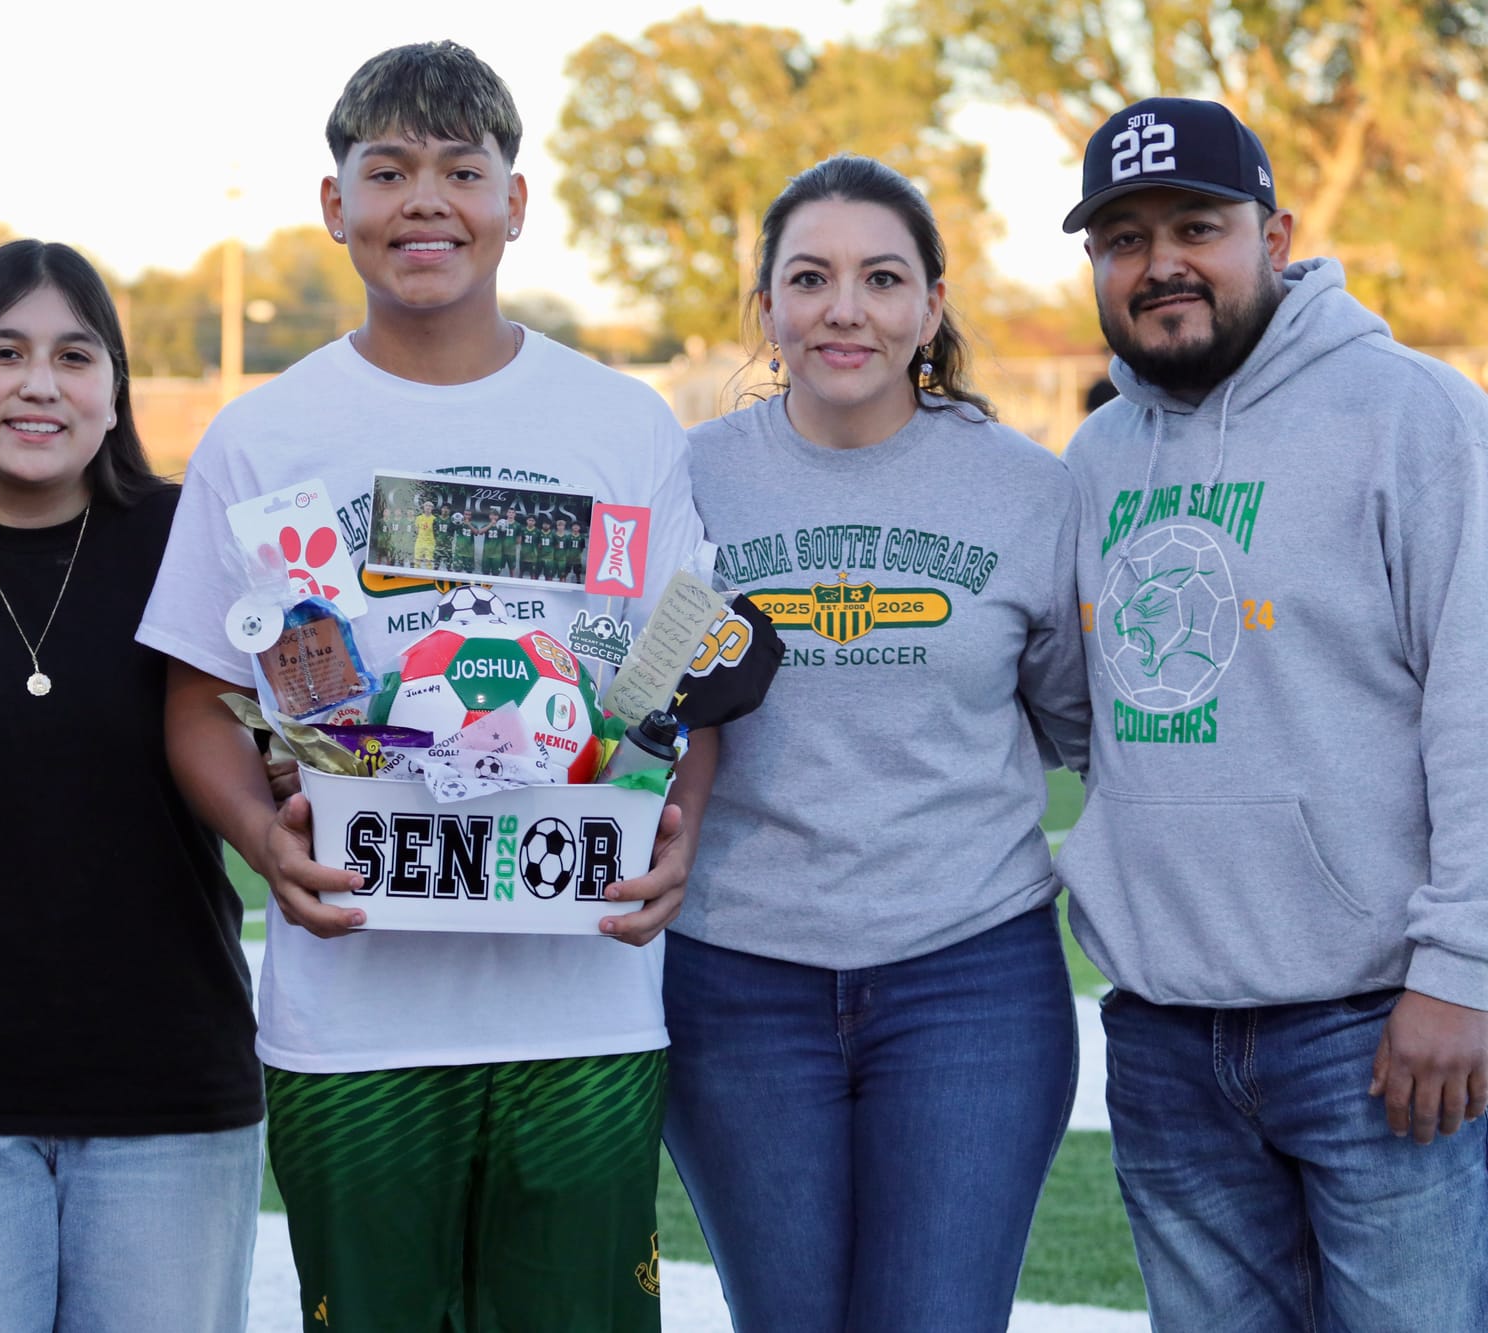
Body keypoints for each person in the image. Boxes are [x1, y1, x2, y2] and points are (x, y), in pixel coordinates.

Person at [139, 40, 712, 1332]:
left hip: (581, 1009)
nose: (425, 202)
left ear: (517, 201)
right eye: (388, 171)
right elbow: (193, 705)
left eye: (462, 169)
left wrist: (681, 834)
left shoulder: (621, 425)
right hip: (355, 1021)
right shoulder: (262, 437)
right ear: (334, 204)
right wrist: (267, 840)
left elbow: (685, 673)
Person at [1058, 96, 1488, 1329]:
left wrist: (1462, 971)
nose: (1160, 264)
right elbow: (1076, 712)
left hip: (1375, 1026)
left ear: (1276, 236)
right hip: (1161, 1036)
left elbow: (1473, 703)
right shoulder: (1094, 458)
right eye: (1123, 240)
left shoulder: (1410, 414)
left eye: (1196, 227)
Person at [669, 154, 1089, 1331]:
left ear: (931, 305)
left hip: (969, 976)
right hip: (734, 973)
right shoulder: (685, 480)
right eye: (809, 279)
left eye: (882, 278)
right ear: (765, 308)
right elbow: (639, 702)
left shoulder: (1028, 490)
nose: (843, 309)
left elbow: (1071, 719)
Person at [0, 241, 263, 1333]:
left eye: (75, 356)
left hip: (170, 1088)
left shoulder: (193, 545)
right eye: (3, 352)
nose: (39, 384)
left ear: (115, 394)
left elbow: (284, 746)